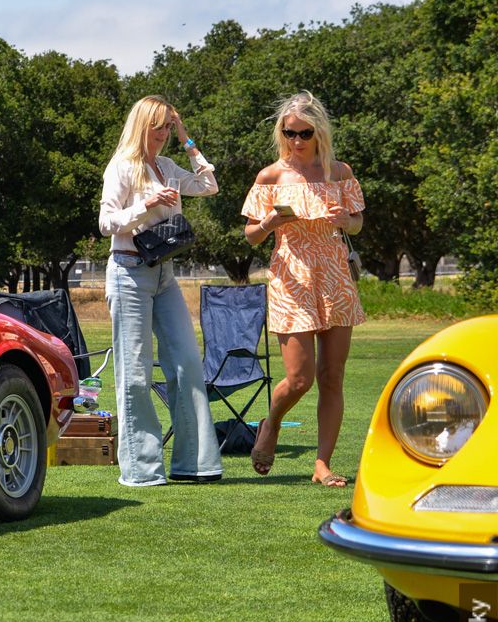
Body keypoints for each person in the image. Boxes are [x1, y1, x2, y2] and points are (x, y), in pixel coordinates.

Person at [242, 91, 364, 487]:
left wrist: (346, 220)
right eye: (289, 132)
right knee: (299, 378)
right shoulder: (270, 177)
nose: (296, 140)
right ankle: (271, 422)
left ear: (318, 131)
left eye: (304, 133)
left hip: (334, 276)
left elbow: (358, 223)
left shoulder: (340, 173)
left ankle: (322, 463)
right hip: (290, 278)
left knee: (333, 376)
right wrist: (269, 225)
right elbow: (250, 237)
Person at [99, 96, 222, 486]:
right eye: (160, 126)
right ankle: (142, 469)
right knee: (134, 374)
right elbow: (106, 223)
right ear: (142, 126)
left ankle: (196, 464)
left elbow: (208, 184)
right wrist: (147, 204)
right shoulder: (122, 168)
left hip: (165, 273)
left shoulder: (168, 166)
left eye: (169, 126)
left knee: (187, 364)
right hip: (129, 271)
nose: (164, 133)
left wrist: (188, 139)